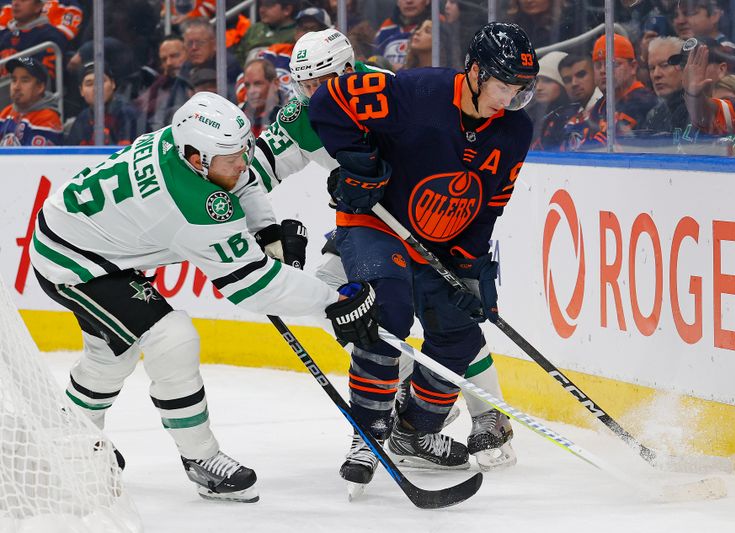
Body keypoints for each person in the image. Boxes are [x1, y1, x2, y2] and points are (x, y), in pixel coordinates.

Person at [29, 91, 378, 503]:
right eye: (231, 159)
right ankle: (200, 459)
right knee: (171, 336)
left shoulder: (190, 147)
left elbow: (242, 182)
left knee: (111, 354)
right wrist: (333, 300)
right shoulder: (189, 203)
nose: (242, 163)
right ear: (196, 159)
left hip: (87, 237)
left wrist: (265, 232)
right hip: (72, 261)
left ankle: (75, 439)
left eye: (242, 151)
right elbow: (250, 284)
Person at [308, 21, 536, 488]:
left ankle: (413, 433)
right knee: (386, 313)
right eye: (501, 84)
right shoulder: (417, 91)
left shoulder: (514, 130)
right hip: (376, 224)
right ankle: (368, 432)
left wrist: (470, 267)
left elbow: (491, 203)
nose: (508, 98)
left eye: (517, 88)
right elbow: (327, 101)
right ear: (474, 71)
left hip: (438, 244)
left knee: (459, 336)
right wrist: (359, 163)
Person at [66, 62, 141, 146]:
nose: (96, 88)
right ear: (81, 91)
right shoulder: (82, 119)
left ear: (113, 84)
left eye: (101, 81)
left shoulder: (128, 114)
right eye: (89, 84)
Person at [136, 34, 193, 132]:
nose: (169, 63)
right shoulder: (157, 89)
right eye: (164, 59)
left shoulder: (203, 82)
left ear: (188, 53)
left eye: (174, 56)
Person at [0, 56, 61, 145]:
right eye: (14, 80)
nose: (16, 87)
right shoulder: (7, 112)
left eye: (24, 80)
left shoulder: (48, 117)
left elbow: (31, 158)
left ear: (40, 87)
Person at [0, 0, 65, 80]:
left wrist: (19, 60)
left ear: (38, 7)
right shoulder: (4, 35)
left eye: (23, 0)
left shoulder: (51, 35)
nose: (15, 3)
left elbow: (46, 77)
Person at [642, 37, 690, 134]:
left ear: (685, 65)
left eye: (664, 65)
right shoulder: (654, 115)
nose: (656, 74)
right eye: (652, 68)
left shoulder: (700, 110)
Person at [237, 0, 299, 65]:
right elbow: (239, 57)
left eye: (268, 5)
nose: (261, 10)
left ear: (287, 10)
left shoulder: (298, 33)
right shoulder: (254, 29)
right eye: (261, 5)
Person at [374, 0, 430, 70]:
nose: (409, 1)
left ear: (428, 1)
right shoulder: (386, 28)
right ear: (397, 2)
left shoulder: (437, 26)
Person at [240, 58, 280, 136]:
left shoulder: (288, 119)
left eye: (258, 84)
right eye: (247, 85)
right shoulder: (236, 119)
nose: (251, 91)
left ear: (275, 84)